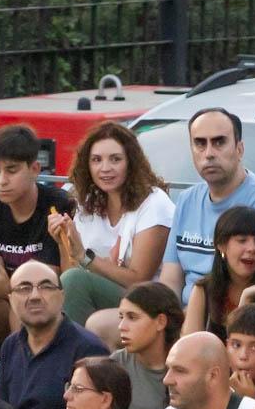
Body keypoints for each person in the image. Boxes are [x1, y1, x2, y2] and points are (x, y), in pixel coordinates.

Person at [51, 121, 175, 329]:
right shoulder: (87, 202)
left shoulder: (154, 203)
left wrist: (85, 257)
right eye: (96, 160)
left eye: (115, 159)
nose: (105, 168)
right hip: (103, 296)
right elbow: (71, 273)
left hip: (147, 301)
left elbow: (139, 280)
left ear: (131, 163)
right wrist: (62, 242)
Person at [159, 108, 255, 305]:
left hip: (233, 318)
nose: (209, 153)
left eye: (219, 142)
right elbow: (170, 281)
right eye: (200, 143)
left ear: (239, 149)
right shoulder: (186, 200)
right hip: (181, 318)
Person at [0, 124, 72, 345]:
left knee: (25, 305)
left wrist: (5, 286)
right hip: (6, 296)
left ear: (35, 169)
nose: (2, 180)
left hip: (44, 297)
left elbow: (47, 278)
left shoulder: (57, 203)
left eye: (12, 170)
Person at [0, 260, 109, 409]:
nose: (35, 296)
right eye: (24, 288)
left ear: (62, 296)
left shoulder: (89, 349)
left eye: (46, 287)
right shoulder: (10, 346)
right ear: (10, 299)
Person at [184, 205, 255, 338]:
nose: (252, 248)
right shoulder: (204, 290)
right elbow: (189, 348)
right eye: (242, 240)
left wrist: (247, 297)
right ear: (221, 245)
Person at [111, 281, 182, 409]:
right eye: (121, 317)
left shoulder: (185, 367)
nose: (121, 326)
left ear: (160, 322)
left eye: (132, 317)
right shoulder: (116, 365)